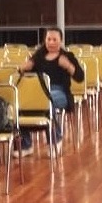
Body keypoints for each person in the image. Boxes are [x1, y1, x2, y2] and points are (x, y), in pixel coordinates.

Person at [17, 27, 84, 157]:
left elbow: (80, 77)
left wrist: (69, 66)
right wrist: (22, 68)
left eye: (54, 39)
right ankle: (25, 144)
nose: (51, 42)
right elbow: (24, 73)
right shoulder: (38, 57)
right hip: (40, 91)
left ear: (61, 41)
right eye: (49, 39)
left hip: (60, 92)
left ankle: (55, 140)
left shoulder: (67, 56)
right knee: (21, 103)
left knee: (47, 100)